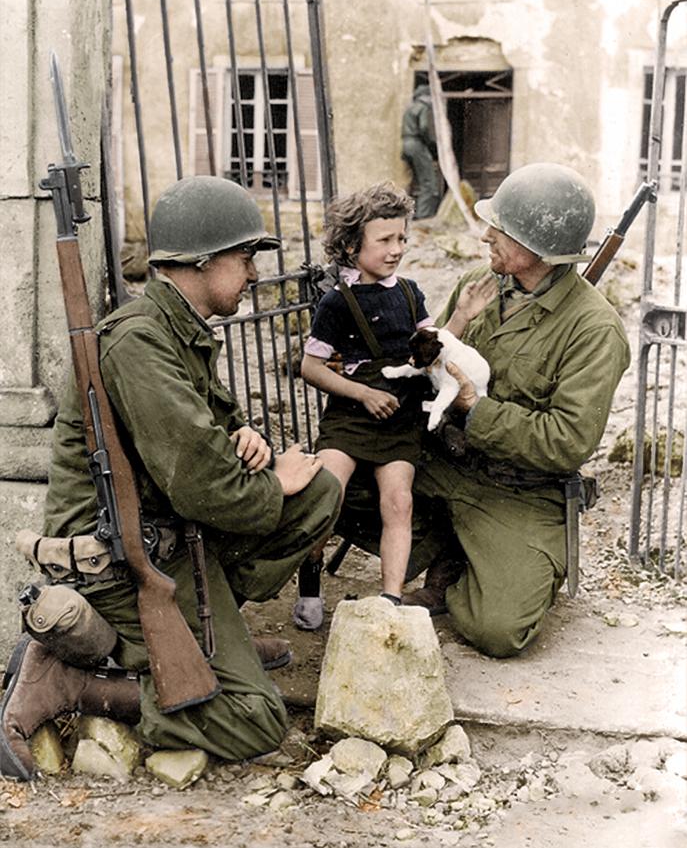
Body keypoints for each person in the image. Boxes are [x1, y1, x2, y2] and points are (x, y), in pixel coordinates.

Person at [0, 176, 341, 780]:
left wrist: (254, 440)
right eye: (245, 258)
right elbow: (207, 486)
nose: (255, 274)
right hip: (122, 559)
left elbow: (221, 432)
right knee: (257, 719)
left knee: (318, 492)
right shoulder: (140, 343)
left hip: (173, 533)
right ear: (202, 261)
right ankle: (76, 680)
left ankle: (219, 632)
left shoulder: (179, 330)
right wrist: (270, 483)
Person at [403, 162, 632, 657]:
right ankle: (451, 544)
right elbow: (434, 356)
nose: (487, 236)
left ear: (541, 250)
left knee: (500, 631)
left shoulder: (595, 330)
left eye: (501, 231)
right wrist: (457, 322)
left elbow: (566, 440)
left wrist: (475, 409)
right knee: (342, 497)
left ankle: (469, 567)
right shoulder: (479, 284)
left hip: (519, 492)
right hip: (445, 466)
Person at [292, 182, 434, 631]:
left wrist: (460, 320)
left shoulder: (410, 294)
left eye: (402, 238)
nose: (397, 249)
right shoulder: (337, 302)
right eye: (385, 240)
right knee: (324, 495)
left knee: (399, 501)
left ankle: (390, 598)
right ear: (353, 246)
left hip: (399, 419)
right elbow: (312, 368)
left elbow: (432, 348)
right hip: (350, 418)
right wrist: (362, 394)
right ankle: (310, 587)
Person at [401, 85, 441, 220]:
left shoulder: (410, 108)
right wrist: (431, 144)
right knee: (428, 181)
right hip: (417, 144)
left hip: (406, 143)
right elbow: (424, 127)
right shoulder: (423, 106)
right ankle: (423, 215)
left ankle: (407, 212)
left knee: (412, 180)